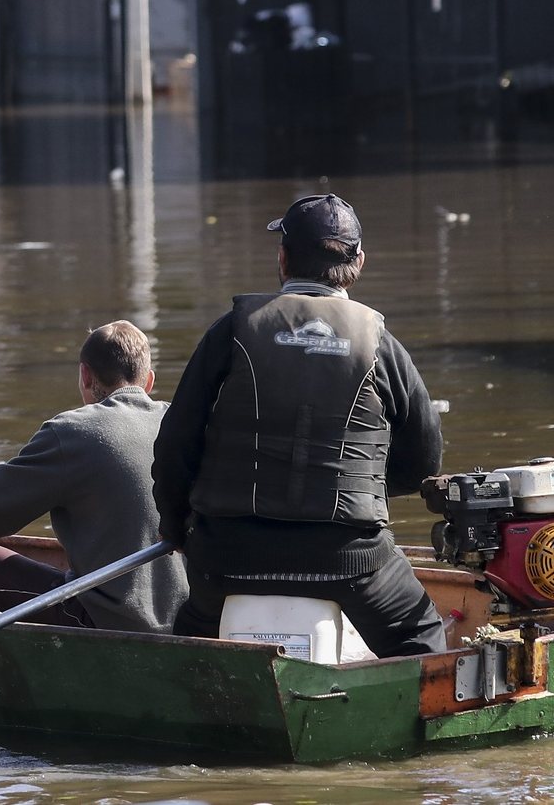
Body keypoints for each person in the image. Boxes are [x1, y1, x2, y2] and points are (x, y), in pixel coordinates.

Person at [152, 194, 447, 658]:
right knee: (423, 638)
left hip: (228, 556)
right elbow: (425, 460)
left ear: (283, 257)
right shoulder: (381, 345)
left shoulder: (231, 332)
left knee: (188, 637)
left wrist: (175, 528)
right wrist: (361, 489)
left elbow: (175, 445)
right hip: (350, 558)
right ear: (359, 262)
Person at [0, 322, 187, 633]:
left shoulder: (74, 432)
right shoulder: (182, 423)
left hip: (111, 620)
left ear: (85, 376)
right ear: (148, 381)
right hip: (187, 620)